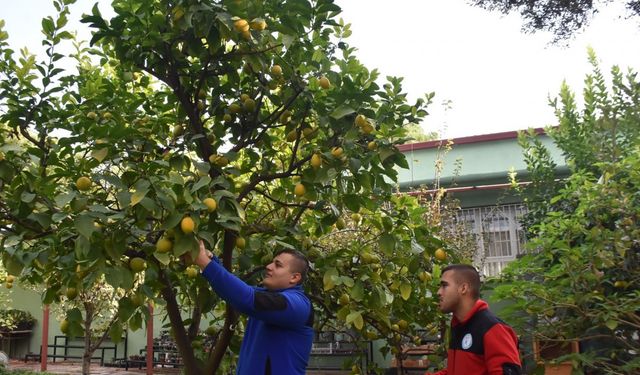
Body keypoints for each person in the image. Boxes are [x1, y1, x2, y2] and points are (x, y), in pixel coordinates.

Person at [194, 240, 314, 375]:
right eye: (271, 262)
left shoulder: (298, 304)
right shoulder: (268, 294)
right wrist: (211, 260)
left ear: (294, 277)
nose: (268, 266)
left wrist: (205, 263)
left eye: (278, 265)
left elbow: (247, 299)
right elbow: (237, 290)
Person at [426, 264, 521, 375]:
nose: (439, 292)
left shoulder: (493, 328)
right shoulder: (458, 326)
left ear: (463, 288)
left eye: (444, 285)